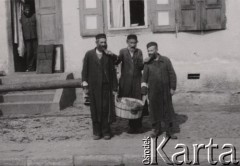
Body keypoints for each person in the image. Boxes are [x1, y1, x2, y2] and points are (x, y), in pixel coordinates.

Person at [82, 34, 118, 140]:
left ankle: (106, 131)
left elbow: (113, 71)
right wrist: (85, 84)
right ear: (96, 42)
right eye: (101, 42)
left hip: (106, 86)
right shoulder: (89, 54)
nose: (103, 44)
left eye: (105, 42)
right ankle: (97, 132)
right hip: (94, 87)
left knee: (105, 109)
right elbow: (85, 70)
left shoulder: (108, 55)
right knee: (95, 109)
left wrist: (115, 87)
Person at [141, 42, 177, 139]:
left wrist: (172, 87)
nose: (150, 53)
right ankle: (156, 129)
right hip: (153, 91)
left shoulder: (165, 60)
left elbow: (172, 74)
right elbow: (144, 78)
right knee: (154, 110)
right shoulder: (147, 63)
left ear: (157, 50)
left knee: (167, 110)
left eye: (152, 50)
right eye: (148, 51)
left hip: (165, 91)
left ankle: (169, 131)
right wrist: (144, 90)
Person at [116, 34, 144, 134]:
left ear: (137, 42)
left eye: (134, 43)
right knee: (128, 102)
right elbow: (117, 61)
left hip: (137, 80)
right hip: (126, 81)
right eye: (131, 43)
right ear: (127, 42)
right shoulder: (122, 51)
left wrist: (143, 62)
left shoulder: (139, 52)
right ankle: (130, 125)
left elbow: (141, 66)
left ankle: (138, 125)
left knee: (137, 101)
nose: (133, 45)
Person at [20, 4, 38, 72]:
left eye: (28, 10)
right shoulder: (21, 17)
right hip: (27, 38)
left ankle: (36, 67)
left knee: (36, 52)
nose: (27, 11)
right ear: (24, 10)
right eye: (26, 10)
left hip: (34, 37)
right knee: (29, 53)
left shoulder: (34, 16)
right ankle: (29, 67)